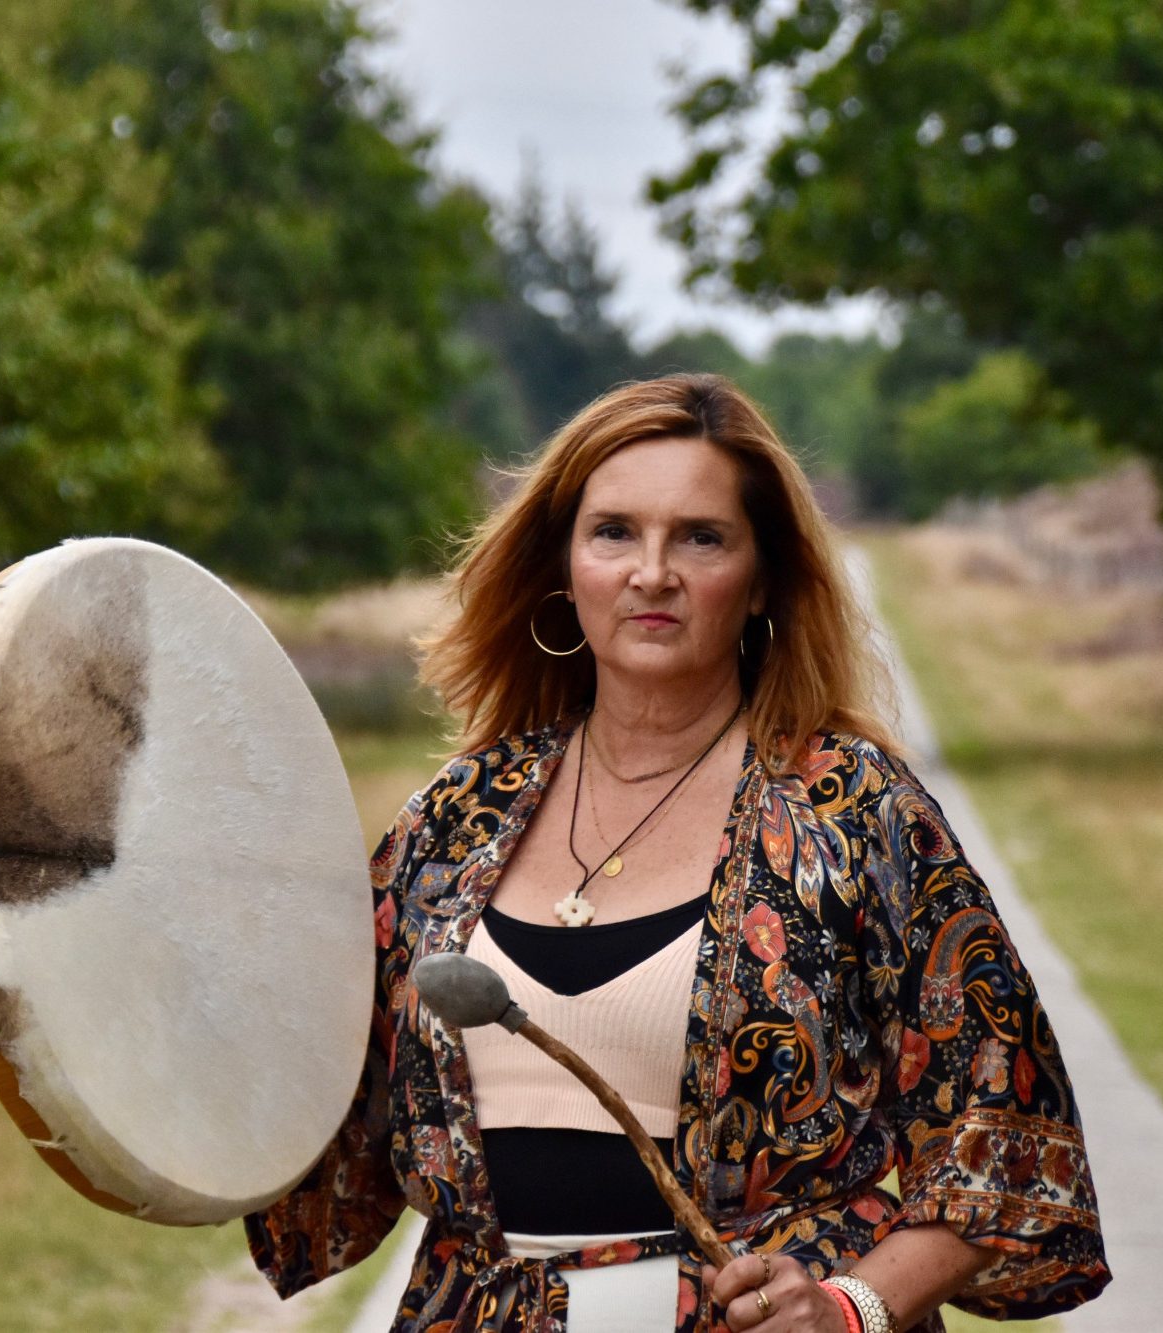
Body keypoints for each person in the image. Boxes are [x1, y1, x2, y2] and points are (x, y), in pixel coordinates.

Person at [246, 374, 1110, 1332]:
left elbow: (1008, 1143)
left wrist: (851, 1307)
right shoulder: (454, 819)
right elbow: (319, 1119)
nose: (650, 571)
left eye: (700, 537)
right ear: (563, 568)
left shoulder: (854, 812)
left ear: (761, 580)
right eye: (613, 532)